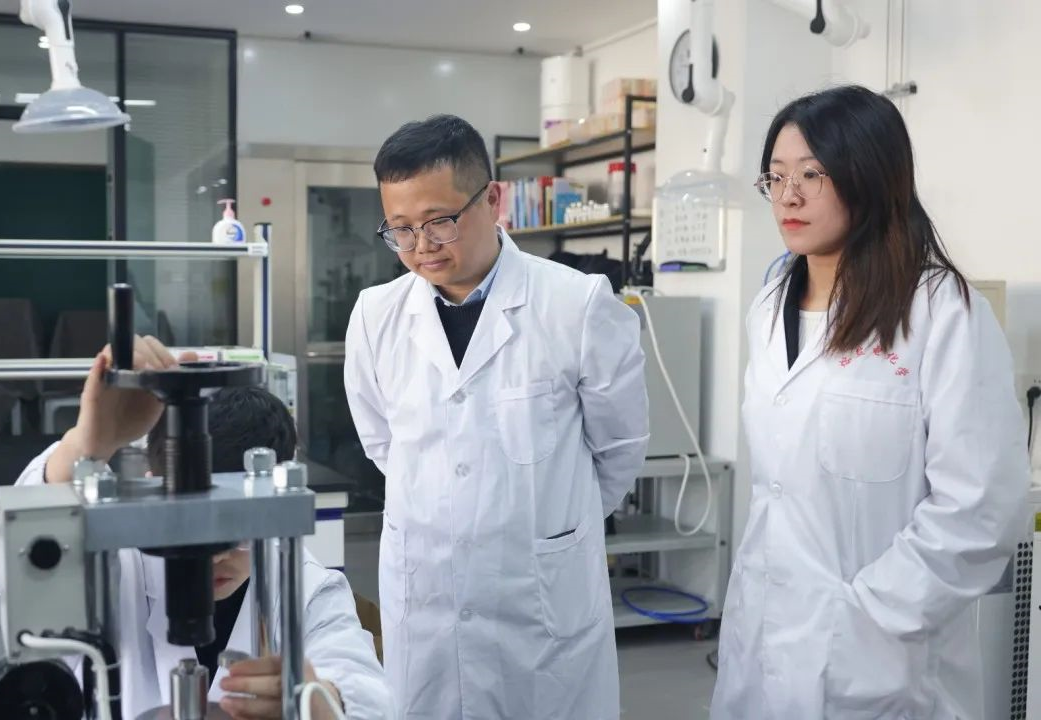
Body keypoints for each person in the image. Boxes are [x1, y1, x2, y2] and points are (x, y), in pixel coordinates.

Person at [710, 85, 1029, 719]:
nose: (788, 196)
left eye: (812, 174)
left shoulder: (942, 313)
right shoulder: (768, 308)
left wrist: (868, 615)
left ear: (870, 175)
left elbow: (982, 508)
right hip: (763, 638)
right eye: (775, 176)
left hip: (885, 660)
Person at [343, 114, 650, 719]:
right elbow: (382, 443)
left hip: (539, 608)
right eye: (400, 229)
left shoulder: (577, 304)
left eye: (439, 221)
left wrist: (546, 527)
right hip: (425, 602)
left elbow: (619, 450)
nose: (421, 246)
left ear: (492, 199)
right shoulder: (375, 316)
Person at [0, 338, 395, 720]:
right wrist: (86, 445)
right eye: (191, 530)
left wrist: (319, 701)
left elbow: (368, 697)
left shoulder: (305, 589)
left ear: (274, 506)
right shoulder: (113, 568)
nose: (215, 556)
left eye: (238, 528)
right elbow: (12, 566)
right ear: (155, 492)